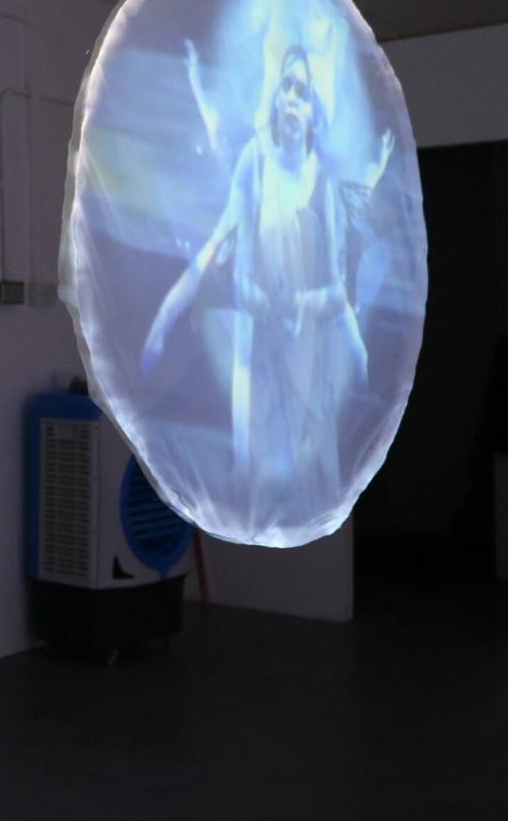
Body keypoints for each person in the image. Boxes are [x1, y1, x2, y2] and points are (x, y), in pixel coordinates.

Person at [141, 41, 392, 490]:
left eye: (303, 92)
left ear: (314, 114)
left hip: (302, 334)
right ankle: (246, 468)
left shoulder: (321, 183)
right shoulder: (254, 162)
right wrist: (165, 322)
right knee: (253, 453)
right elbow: (224, 249)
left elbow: (336, 289)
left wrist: (347, 344)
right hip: (257, 318)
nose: (292, 99)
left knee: (312, 454)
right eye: (287, 87)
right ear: (275, 99)